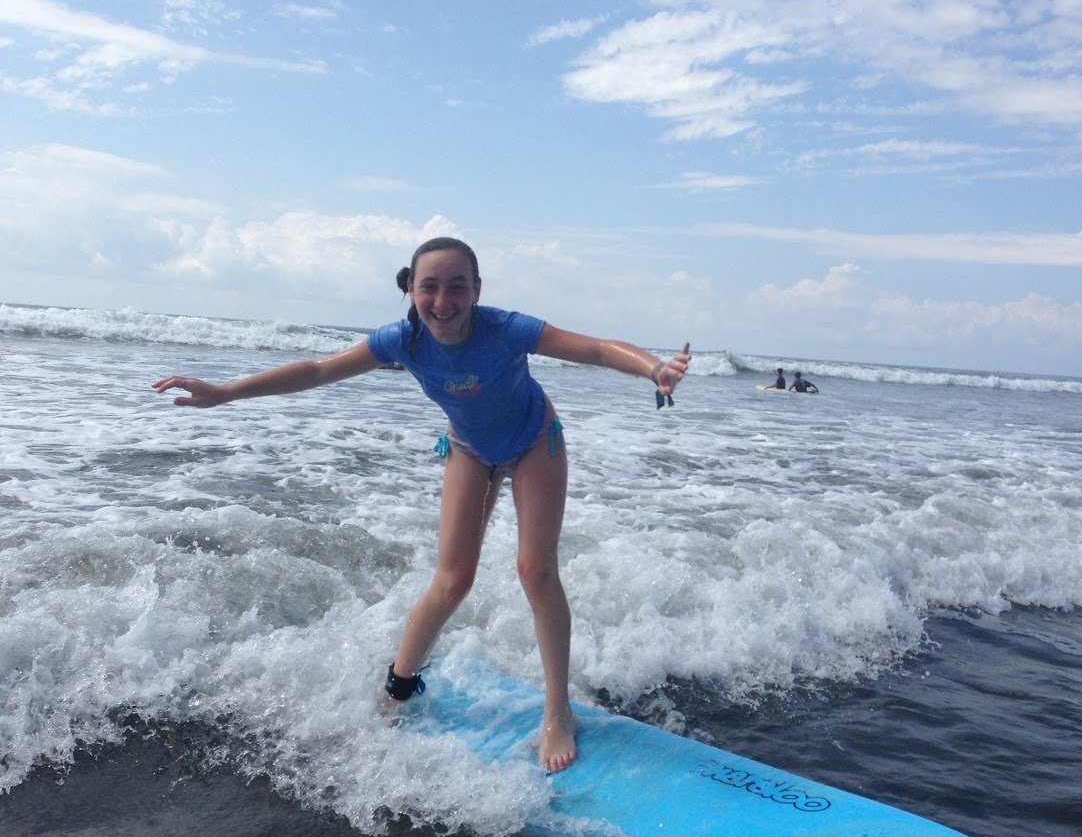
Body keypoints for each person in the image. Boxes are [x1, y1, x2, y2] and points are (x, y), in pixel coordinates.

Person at [152, 236, 690, 773]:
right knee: (452, 579)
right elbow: (318, 370)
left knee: (536, 572)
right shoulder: (402, 341)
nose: (442, 301)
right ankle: (399, 688)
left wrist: (653, 369)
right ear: (410, 289)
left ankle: (557, 713)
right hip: (468, 448)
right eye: (428, 286)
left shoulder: (507, 330)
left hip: (534, 442)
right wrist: (225, 392)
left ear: (477, 290)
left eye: (458, 286)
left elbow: (594, 348)